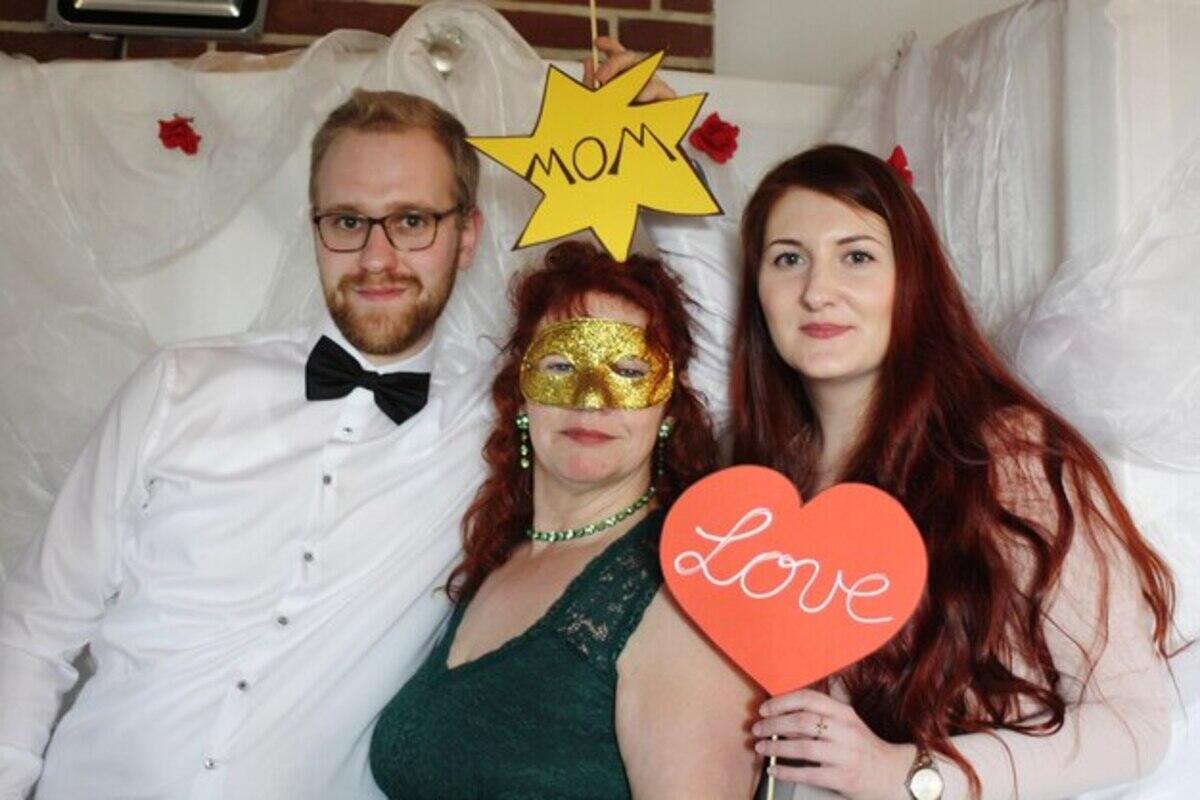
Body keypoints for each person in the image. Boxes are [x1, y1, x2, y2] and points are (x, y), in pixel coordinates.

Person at [0, 89, 490, 799]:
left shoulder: (499, 426)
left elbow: (677, 382)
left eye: (412, 221)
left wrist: (671, 190)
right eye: (348, 221)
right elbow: (36, 626)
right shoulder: (180, 386)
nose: (377, 256)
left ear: (466, 235)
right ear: (315, 228)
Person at [736, 145, 1181, 800]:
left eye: (856, 256)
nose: (816, 291)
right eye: (788, 258)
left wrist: (902, 774)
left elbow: (1134, 724)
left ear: (911, 280)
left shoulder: (1006, 457)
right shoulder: (762, 484)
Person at [368, 240, 761, 798]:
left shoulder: (679, 590)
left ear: (668, 409)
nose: (590, 400)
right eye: (559, 365)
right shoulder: (496, 558)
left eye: (627, 370)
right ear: (521, 396)